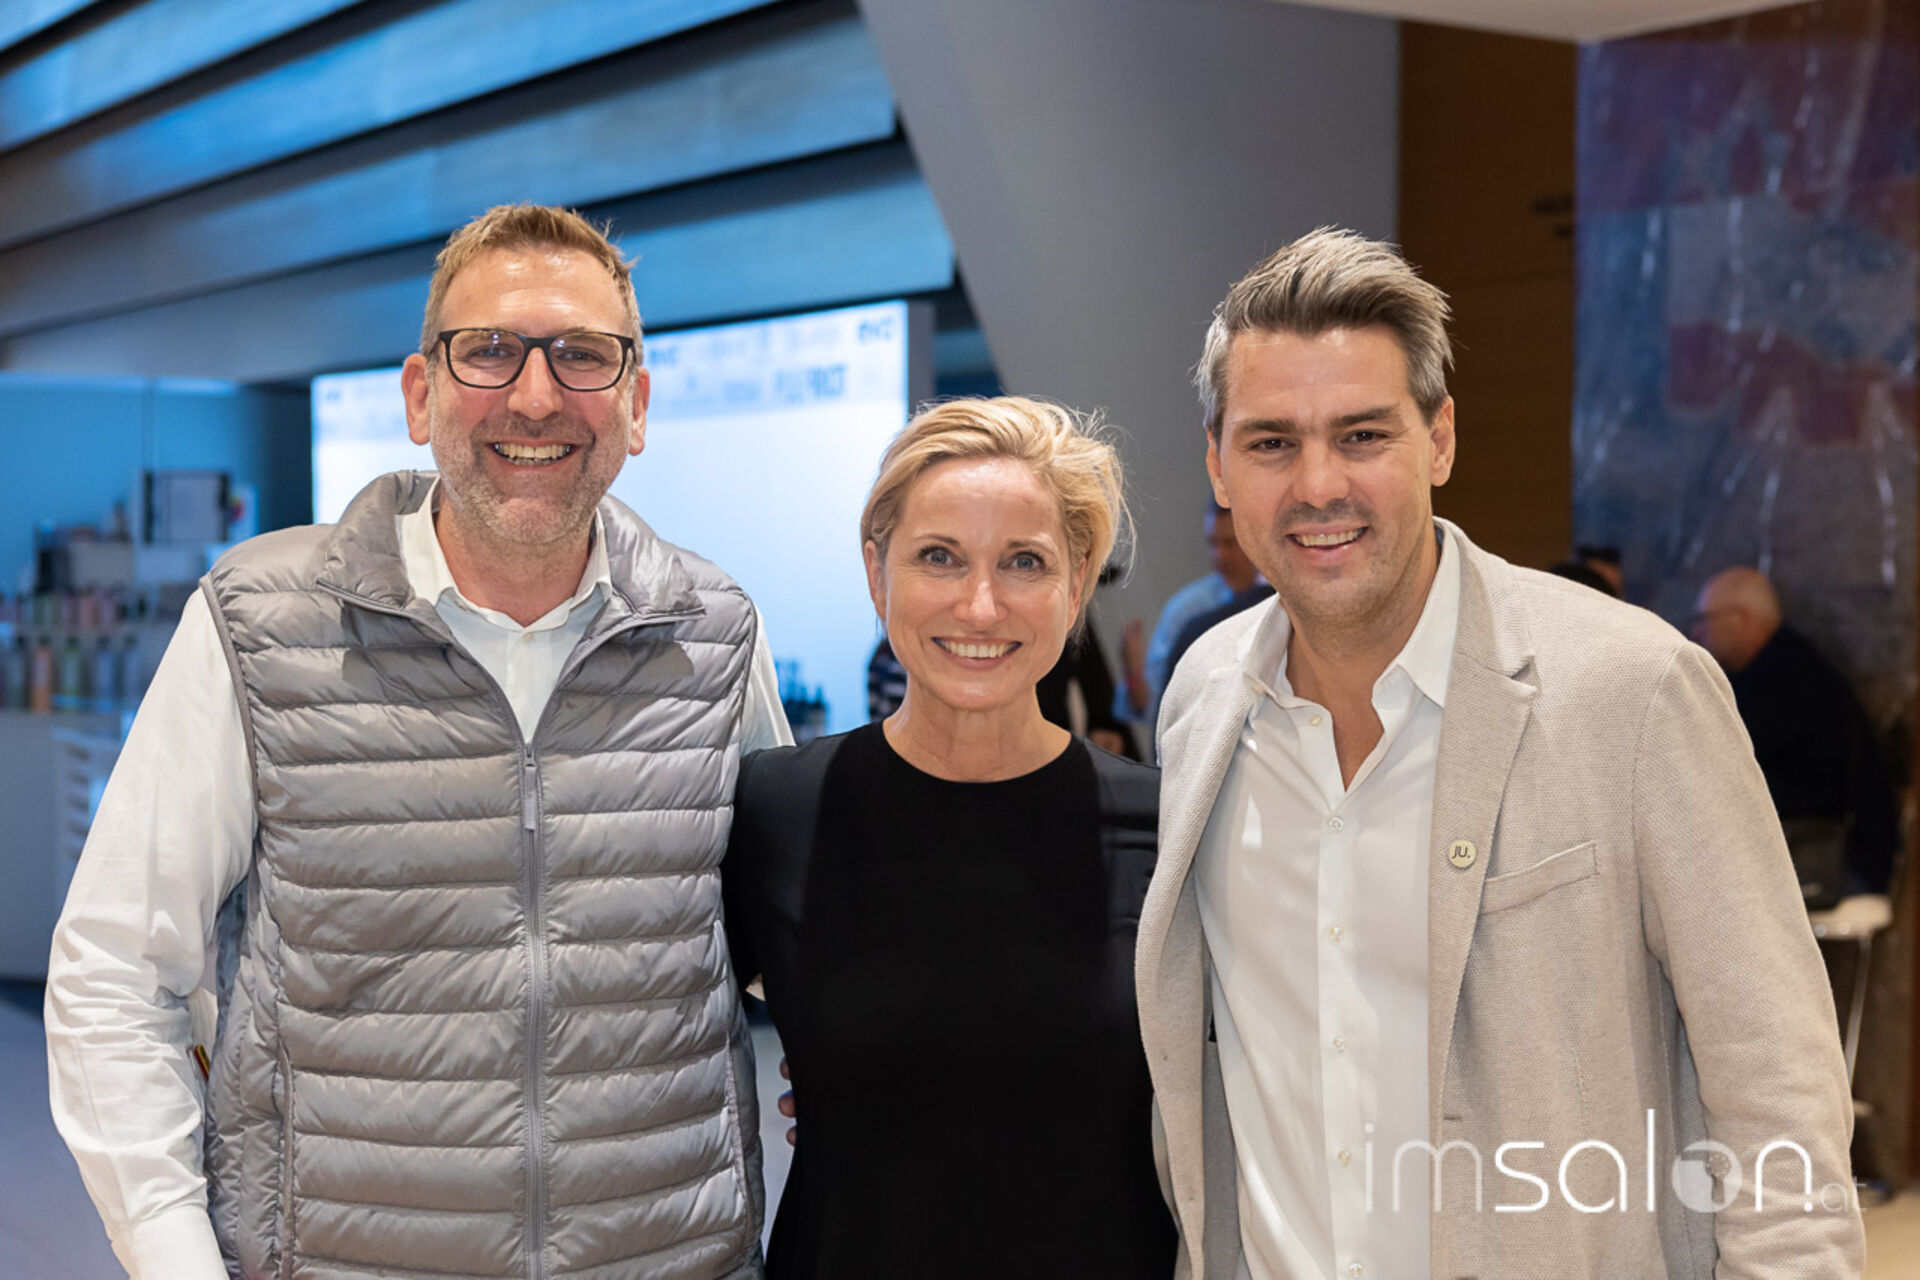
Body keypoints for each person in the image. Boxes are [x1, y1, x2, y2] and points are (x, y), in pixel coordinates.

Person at [45, 204, 789, 1279]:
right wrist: (175, 1256)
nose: (536, 396)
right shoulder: (260, 625)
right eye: (487, 350)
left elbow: (786, 947)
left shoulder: (715, 636)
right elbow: (117, 968)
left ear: (635, 404)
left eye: (583, 354)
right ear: (419, 394)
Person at [1136, 229, 1862, 1279]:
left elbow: (1778, 1090)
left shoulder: (1634, 688)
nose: (1318, 483)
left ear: (1439, 440)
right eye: (1271, 443)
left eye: (1363, 434)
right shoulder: (1202, 701)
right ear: (1217, 464)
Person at [723, 397, 1176, 1277]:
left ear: (1077, 585)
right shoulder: (776, 811)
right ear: (876, 572)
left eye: (1024, 562)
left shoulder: (1164, 828)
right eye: (939, 557)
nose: (980, 605)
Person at [1693, 566, 1898, 897]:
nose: (1696, 632)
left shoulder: (1784, 678)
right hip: (1815, 857)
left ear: (1740, 619)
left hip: (1834, 866)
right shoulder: (1779, 664)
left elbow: (1712, 768)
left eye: (1704, 619)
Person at [1117, 502, 1261, 727]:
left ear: (1257, 540)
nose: (1220, 556)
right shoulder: (1188, 610)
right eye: (1213, 543)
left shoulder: (1288, 599)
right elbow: (1158, 706)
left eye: (1230, 543)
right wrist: (1133, 671)